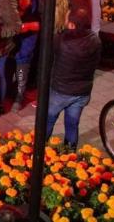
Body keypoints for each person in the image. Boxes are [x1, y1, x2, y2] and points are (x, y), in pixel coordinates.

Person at [45, 8, 101, 148]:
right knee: (72, 124)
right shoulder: (95, 41)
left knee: (48, 119)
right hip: (82, 92)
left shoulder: (62, 40)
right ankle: (69, 153)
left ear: (72, 24)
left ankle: (39, 148)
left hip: (61, 90)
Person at [12, 0, 40, 110]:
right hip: (13, 43)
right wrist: (26, 27)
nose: (23, 3)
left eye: (26, 1)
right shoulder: (13, 7)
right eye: (21, 1)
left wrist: (27, 27)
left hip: (26, 46)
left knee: (22, 67)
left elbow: (39, 25)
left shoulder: (36, 8)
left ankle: (19, 96)